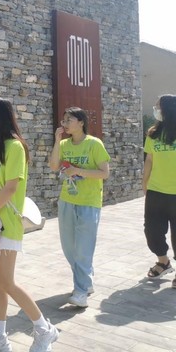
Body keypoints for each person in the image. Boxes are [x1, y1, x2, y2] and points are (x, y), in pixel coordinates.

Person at [0, 98, 58, 352]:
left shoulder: (15, 147)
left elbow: (11, 187)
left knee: (6, 280)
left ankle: (44, 329)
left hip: (4, 223)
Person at [49, 106, 111, 308]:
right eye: (64, 120)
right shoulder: (64, 144)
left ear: (81, 122)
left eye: (69, 120)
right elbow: (54, 166)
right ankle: (86, 280)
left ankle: (81, 291)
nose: (65, 123)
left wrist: (78, 171)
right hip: (67, 200)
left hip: (89, 202)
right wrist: (57, 141)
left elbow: (104, 173)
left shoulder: (94, 144)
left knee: (83, 249)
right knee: (69, 247)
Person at [142, 95, 176, 288]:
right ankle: (163, 262)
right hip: (156, 190)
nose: (155, 109)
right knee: (152, 231)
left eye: (158, 106)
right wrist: (144, 182)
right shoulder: (153, 133)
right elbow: (149, 160)